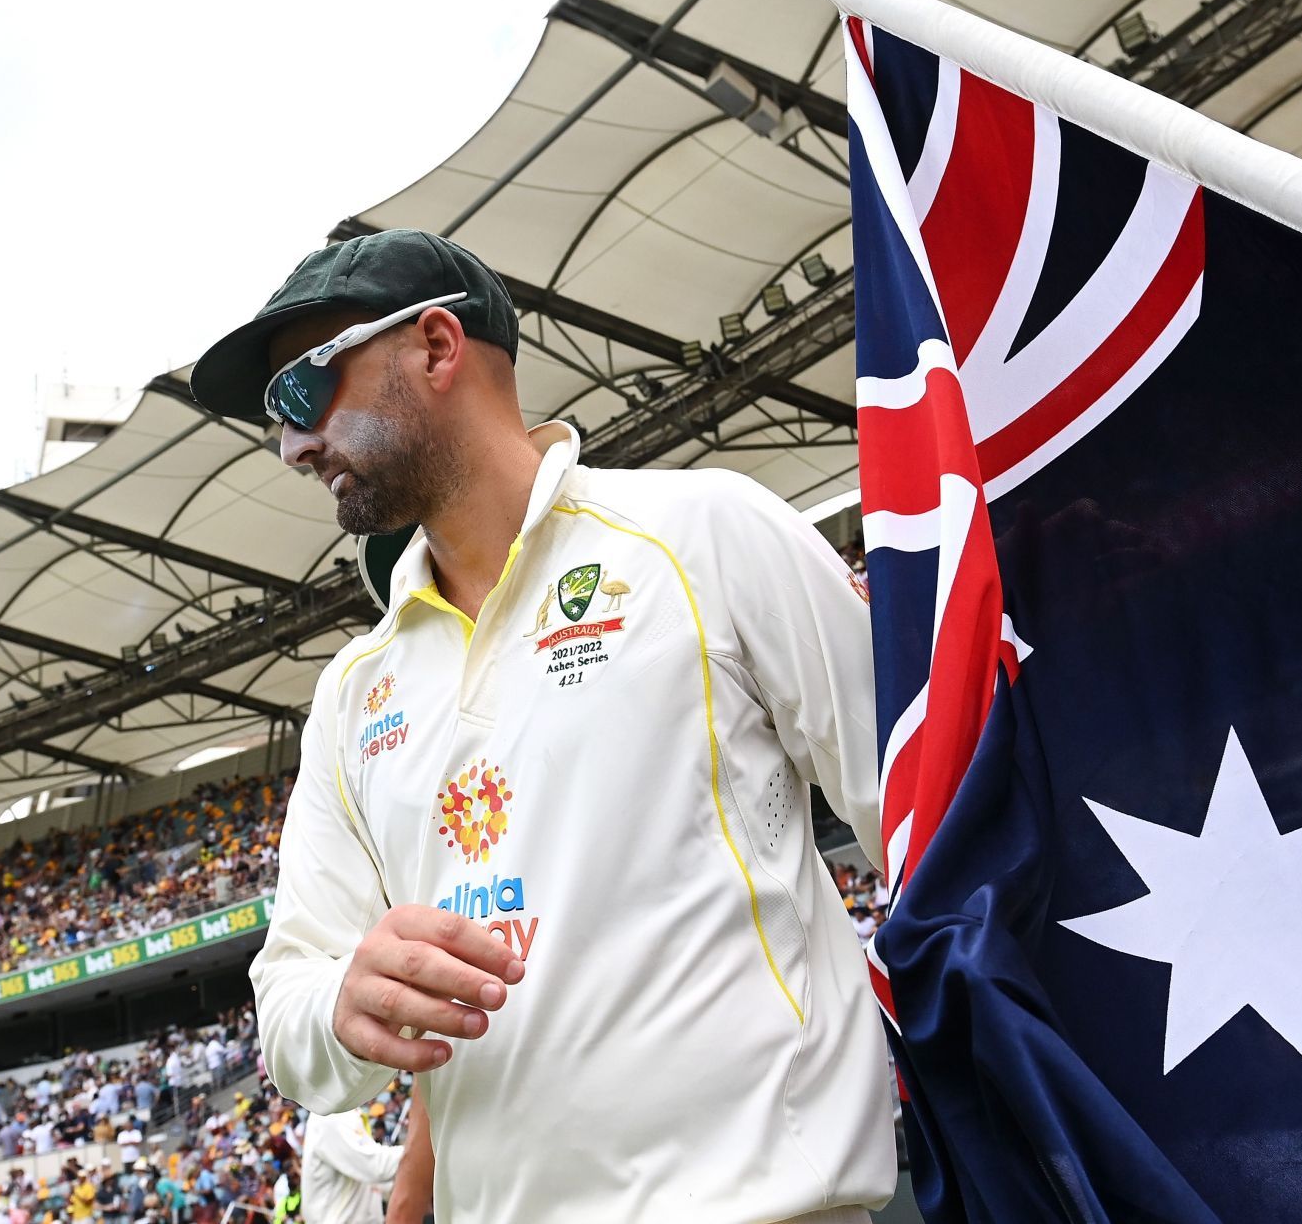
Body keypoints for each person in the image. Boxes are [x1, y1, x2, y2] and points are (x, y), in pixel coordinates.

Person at [195, 228, 894, 1223]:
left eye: (304, 391)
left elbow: (929, 821)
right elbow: (290, 1013)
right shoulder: (355, 692)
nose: (293, 446)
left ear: (437, 347)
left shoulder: (706, 536)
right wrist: (346, 1001)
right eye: (274, 419)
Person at [298, 1109, 401, 1224]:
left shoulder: (348, 1113)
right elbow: (374, 1166)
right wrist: (418, 1149)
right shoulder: (328, 1116)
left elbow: (370, 1177)